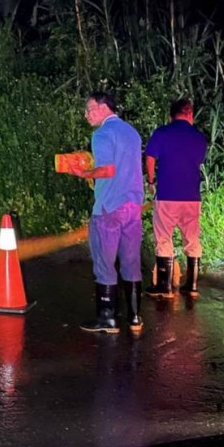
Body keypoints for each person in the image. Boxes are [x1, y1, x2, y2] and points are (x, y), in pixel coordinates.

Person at [77, 92, 146, 334]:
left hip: (109, 207)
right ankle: (135, 317)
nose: (86, 115)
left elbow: (106, 170)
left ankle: (107, 319)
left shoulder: (102, 134)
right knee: (131, 261)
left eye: (89, 109)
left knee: (104, 263)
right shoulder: (132, 133)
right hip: (133, 207)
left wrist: (84, 173)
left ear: (104, 107)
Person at [144, 97, 209, 298]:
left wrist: (152, 180)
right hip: (192, 197)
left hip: (168, 195)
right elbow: (199, 161)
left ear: (171, 115)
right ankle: (192, 285)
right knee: (192, 237)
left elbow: (150, 158)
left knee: (164, 237)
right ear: (190, 114)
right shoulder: (199, 138)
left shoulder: (162, 133)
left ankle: (165, 287)